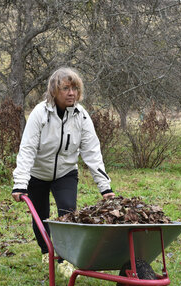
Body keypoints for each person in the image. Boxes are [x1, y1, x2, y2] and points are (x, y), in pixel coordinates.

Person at [11, 67, 114, 271]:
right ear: (54, 91)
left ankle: (66, 258)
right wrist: (20, 183)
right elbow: (28, 149)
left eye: (75, 88)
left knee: (68, 213)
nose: (71, 93)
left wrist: (105, 188)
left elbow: (92, 151)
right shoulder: (40, 114)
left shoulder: (81, 116)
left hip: (65, 173)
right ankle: (46, 252)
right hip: (38, 175)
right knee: (41, 217)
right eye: (66, 88)